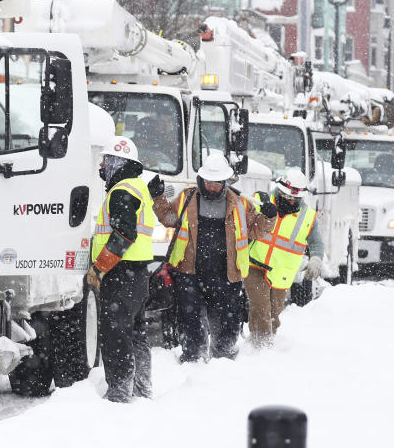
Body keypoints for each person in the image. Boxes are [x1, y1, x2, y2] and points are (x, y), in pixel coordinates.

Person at [149, 153, 275, 362]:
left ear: (225, 182)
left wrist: (269, 217)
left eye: (217, 184)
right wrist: (158, 197)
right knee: (191, 322)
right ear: (201, 180)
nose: (212, 188)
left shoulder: (241, 204)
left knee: (227, 324)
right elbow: (169, 218)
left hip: (227, 276)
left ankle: (223, 362)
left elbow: (256, 230)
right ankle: (193, 360)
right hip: (190, 273)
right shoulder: (187, 198)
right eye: (208, 183)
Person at [86, 136, 159, 402]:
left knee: (116, 333)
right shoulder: (138, 187)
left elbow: (123, 235)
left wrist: (99, 268)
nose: (103, 166)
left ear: (119, 162)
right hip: (137, 275)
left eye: (107, 161)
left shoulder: (122, 191)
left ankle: (119, 392)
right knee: (136, 333)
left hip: (120, 274)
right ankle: (141, 388)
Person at [244, 168, 324, 347]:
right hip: (255, 264)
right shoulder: (260, 200)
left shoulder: (308, 216)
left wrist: (315, 260)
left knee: (273, 313)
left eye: (294, 198)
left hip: (282, 272)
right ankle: (262, 347)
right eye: (286, 195)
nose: (290, 200)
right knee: (261, 306)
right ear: (279, 190)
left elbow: (317, 243)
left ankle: (258, 342)